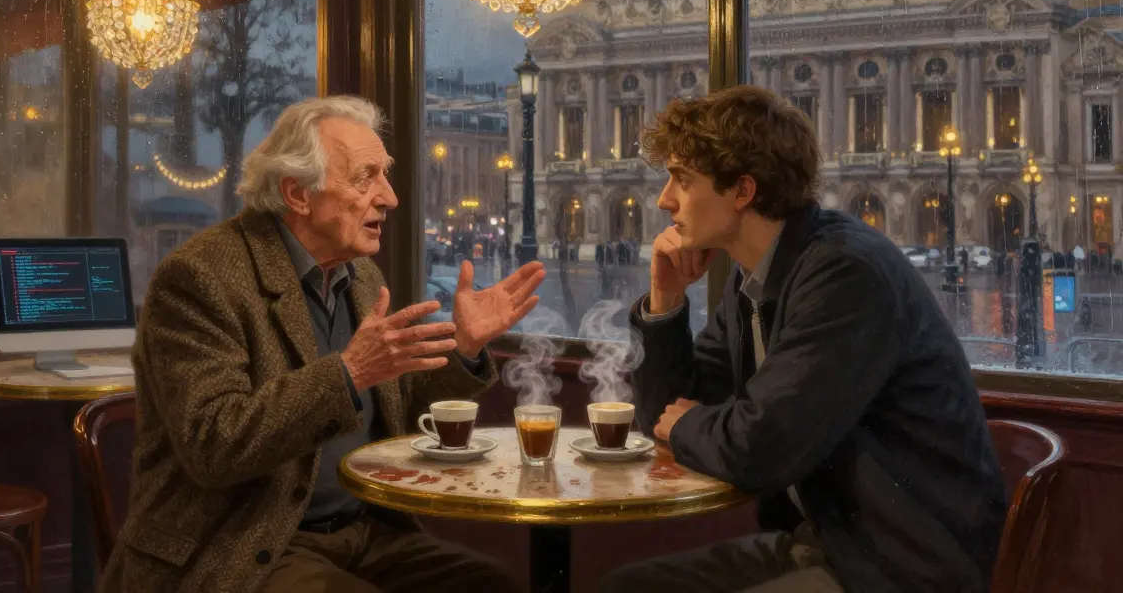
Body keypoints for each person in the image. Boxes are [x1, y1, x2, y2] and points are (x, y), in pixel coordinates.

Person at [101, 96, 545, 593]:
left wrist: (463, 348)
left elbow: (397, 413)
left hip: (369, 530)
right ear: (298, 194)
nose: (390, 197)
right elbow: (215, 444)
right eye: (365, 178)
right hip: (246, 544)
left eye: (386, 174)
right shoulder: (199, 277)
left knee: (494, 585)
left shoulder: (358, 276)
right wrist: (347, 373)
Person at [601, 86, 1006, 593]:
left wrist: (688, 424)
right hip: (829, 543)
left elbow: (760, 449)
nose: (665, 200)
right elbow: (665, 414)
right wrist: (665, 301)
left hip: (900, 565)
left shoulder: (844, 273)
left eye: (682, 179)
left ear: (742, 192)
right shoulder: (756, 276)